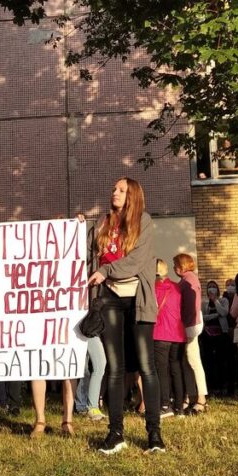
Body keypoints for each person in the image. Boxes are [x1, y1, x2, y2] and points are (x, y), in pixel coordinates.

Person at [86, 177, 164, 454]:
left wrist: (106, 271)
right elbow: (89, 258)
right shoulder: (102, 223)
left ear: (133, 195)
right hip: (109, 299)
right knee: (114, 368)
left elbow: (138, 261)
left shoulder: (144, 220)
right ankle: (115, 433)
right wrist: (73, 230)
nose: (115, 192)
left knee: (146, 366)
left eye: (121, 190)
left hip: (137, 299)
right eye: (114, 189)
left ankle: (154, 434)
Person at [153, 259, 187, 417]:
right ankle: (179, 407)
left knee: (162, 371)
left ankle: (165, 405)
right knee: (176, 369)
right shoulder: (176, 287)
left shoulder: (154, 287)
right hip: (178, 333)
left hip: (161, 333)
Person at [173, 254, 207, 413]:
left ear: (181, 266)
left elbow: (190, 307)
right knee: (187, 362)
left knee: (193, 361)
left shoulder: (187, 281)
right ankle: (192, 396)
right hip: (189, 325)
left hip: (188, 326)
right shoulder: (189, 279)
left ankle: (201, 398)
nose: (174, 268)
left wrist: (186, 325)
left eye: (175, 265)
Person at [200, 279, 231, 396]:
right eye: (209, 287)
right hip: (208, 334)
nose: (211, 288)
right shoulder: (204, 303)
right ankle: (212, 387)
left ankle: (223, 386)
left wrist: (215, 301)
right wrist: (215, 315)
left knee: (221, 360)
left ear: (217, 289)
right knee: (209, 361)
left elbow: (224, 313)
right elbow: (203, 317)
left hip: (221, 334)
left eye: (214, 286)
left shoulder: (223, 300)